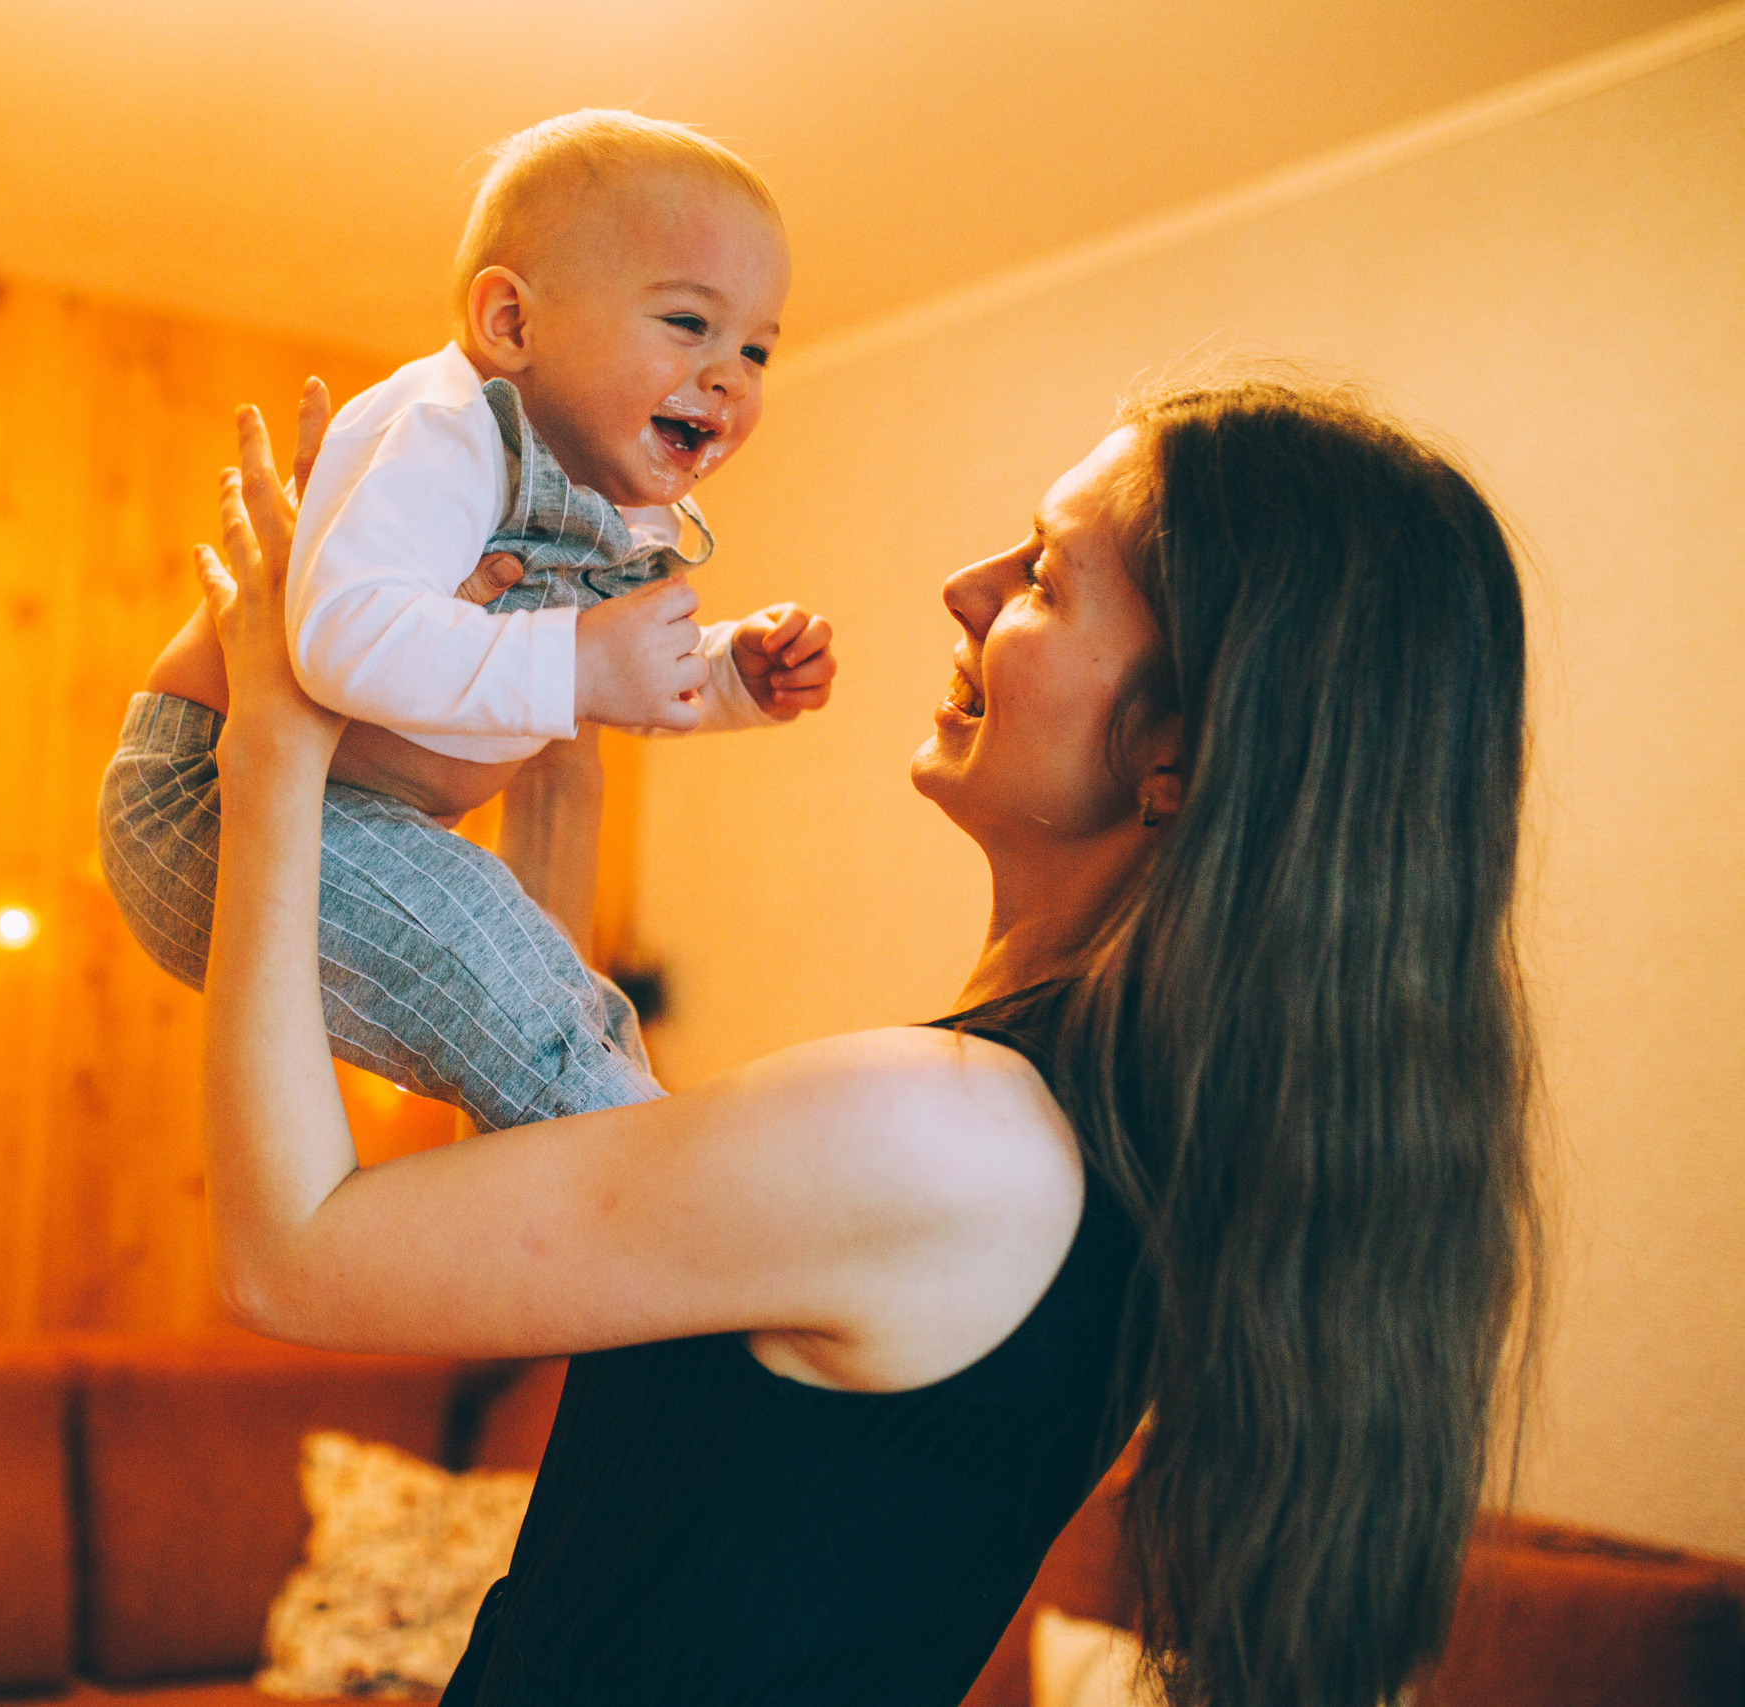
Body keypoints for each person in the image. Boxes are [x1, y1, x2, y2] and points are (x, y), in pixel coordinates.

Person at [186, 377, 1541, 1707]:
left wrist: (274, 750)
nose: (965, 581)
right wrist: (554, 735)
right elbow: (570, 1137)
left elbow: (290, 1252)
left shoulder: (948, 1133)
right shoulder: (1082, 1132)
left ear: (1179, 751)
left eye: (1045, 581)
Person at [99, 110, 838, 1133]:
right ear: (511, 323)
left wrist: (721, 675)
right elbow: (340, 635)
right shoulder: (446, 431)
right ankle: (651, 1184)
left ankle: (600, 1182)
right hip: (210, 798)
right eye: (687, 324)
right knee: (515, 990)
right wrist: (578, 664)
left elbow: (590, 675)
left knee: (546, 998)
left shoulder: (595, 500)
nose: (729, 374)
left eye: (756, 347)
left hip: (356, 819)